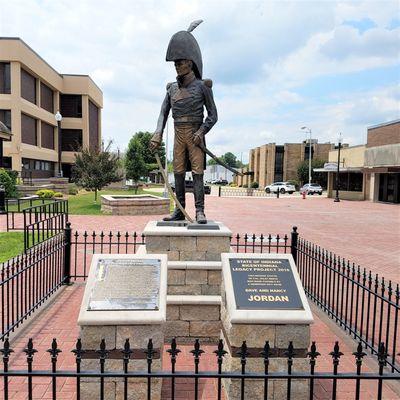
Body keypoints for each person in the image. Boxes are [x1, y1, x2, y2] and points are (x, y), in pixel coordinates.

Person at [150, 21, 217, 224]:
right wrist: (157, 134)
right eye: (175, 63)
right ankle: (179, 210)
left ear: (189, 62)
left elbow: (213, 115)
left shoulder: (203, 86)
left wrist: (202, 131)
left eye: (179, 62)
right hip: (178, 133)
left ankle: (199, 211)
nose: (177, 66)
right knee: (178, 172)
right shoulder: (171, 89)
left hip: (196, 135)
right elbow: (163, 112)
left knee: (197, 173)